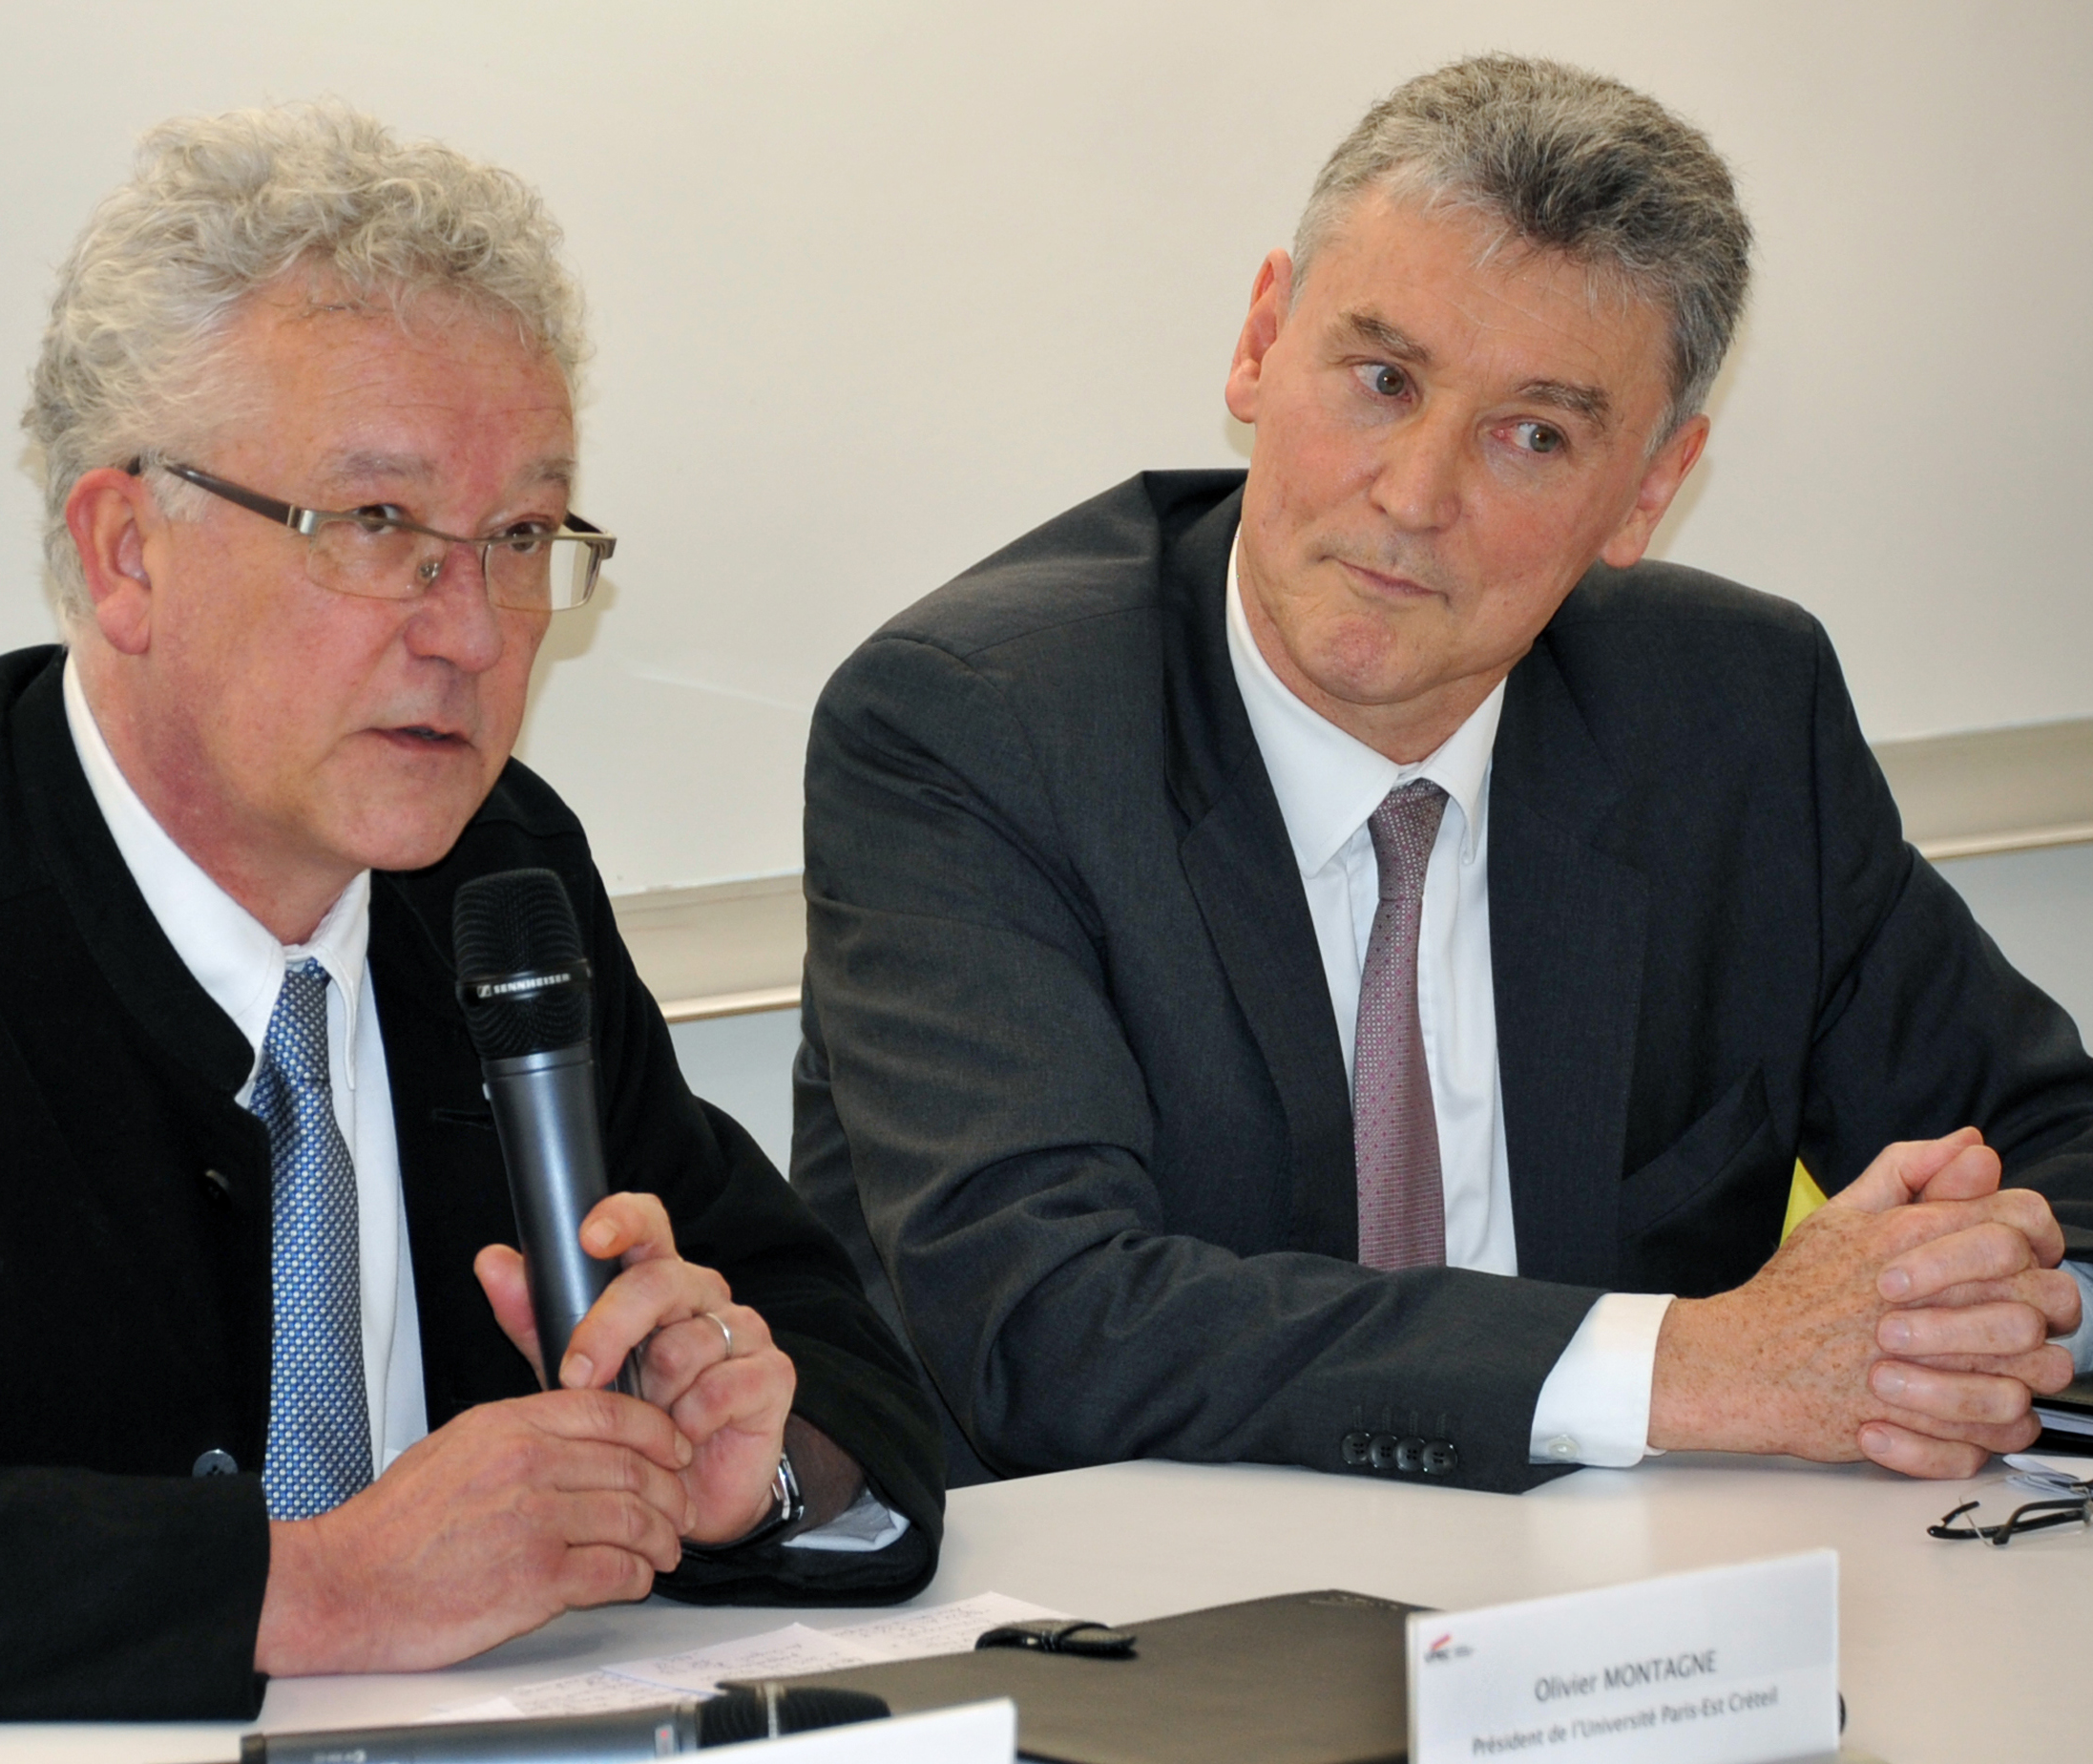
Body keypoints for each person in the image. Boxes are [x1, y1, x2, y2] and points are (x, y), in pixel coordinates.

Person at [0, 101, 941, 1731]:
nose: (467, 631)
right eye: (377, 528)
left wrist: (754, 1465)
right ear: (124, 552)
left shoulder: (497, 882)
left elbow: (829, 1347)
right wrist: (315, 1589)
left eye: (518, 538)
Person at [794, 54, 2093, 1497]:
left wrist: (1965, 1314)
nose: (1415, 496)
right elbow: (1049, 1325)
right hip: (1151, 1647)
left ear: (1650, 489)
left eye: (1532, 434)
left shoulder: (1730, 715)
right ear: (1260, 342)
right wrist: (1696, 1364)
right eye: (1382, 379)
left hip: (1641, 1641)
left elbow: (2052, 1150)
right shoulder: (977, 731)